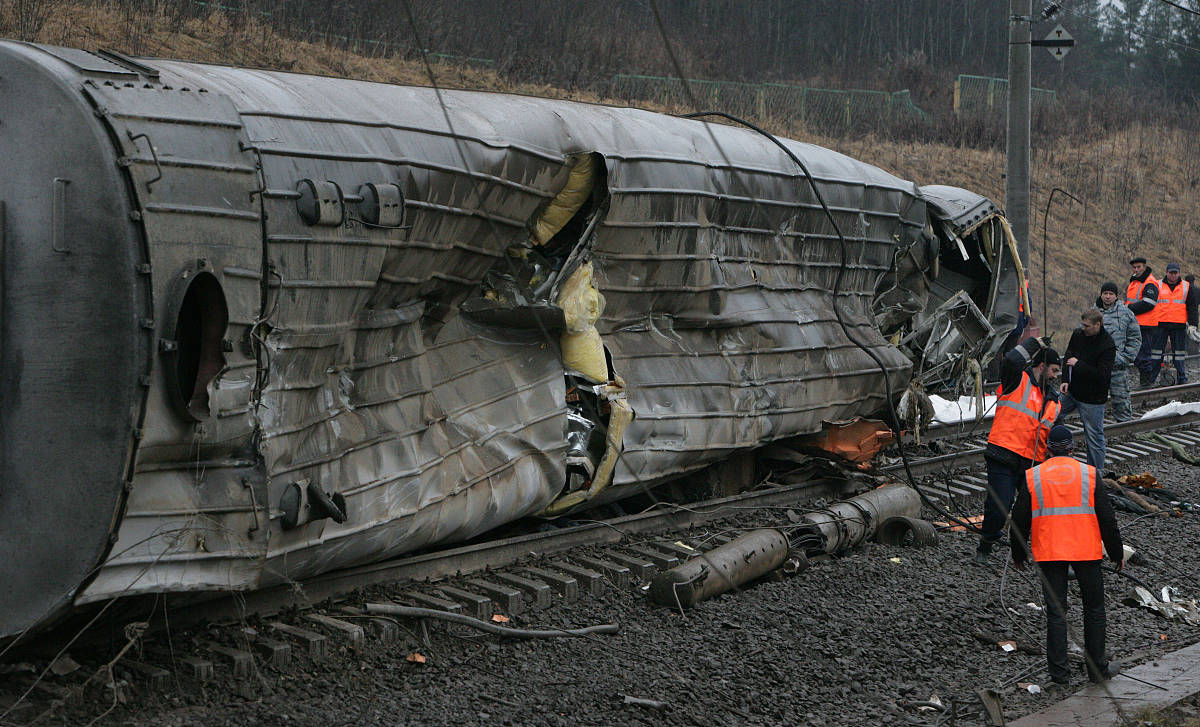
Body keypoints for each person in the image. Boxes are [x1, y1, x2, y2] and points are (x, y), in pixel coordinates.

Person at [1009, 426, 1124, 685]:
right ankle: (1097, 670)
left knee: (1056, 612)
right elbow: (1107, 518)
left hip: (1049, 552)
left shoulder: (1033, 476)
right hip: (1086, 551)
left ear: (1047, 448)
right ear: (1073, 448)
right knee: (1094, 609)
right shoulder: (1089, 475)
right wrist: (1117, 553)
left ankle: (1060, 675)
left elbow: (1019, 519)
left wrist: (1019, 553)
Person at [975, 336, 1061, 565]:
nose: (1055, 376)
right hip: (1003, 453)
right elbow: (1012, 359)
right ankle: (986, 545)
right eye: (1053, 370)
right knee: (1000, 505)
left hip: (1032, 464)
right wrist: (1035, 343)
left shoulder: (1053, 400)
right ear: (1041, 366)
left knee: (1037, 512)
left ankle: (1036, 555)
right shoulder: (1017, 380)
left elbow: (1054, 433)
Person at [1056, 309, 1116, 472]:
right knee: (1051, 415)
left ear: (1098, 325)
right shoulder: (1078, 335)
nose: (1083, 328)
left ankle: (1095, 474)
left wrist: (1079, 365)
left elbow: (1102, 375)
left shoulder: (1107, 345)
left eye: (1087, 326)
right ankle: (1058, 457)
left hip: (1092, 399)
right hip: (1072, 392)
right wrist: (1065, 380)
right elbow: (1068, 357)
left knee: (1094, 437)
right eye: (1082, 325)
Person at [1148, 262, 1200, 386]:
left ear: (1179, 273)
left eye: (1175, 273)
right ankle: (1151, 379)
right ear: (1166, 272)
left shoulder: (1187, 287)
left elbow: (1192, 308)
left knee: (1179, 354)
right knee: (1156, 353)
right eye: (1171, 272)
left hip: (1179, 325)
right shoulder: (1157, 284)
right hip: (1160, 324)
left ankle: (1182, 378)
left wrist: (1193, 325)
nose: (1173, 275)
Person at [1097, 282, 1140, 421]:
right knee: (1094, 402)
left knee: (1121, 400)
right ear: (1101, 295)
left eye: (1111, 294)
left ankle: (1124, 427)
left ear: (1116, 296)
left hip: (1118, 366)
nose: (1108, 297)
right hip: (1097, 367)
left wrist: (1126, 357)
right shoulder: (1093, 313)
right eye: (1105, 294)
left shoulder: (1126, 313)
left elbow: (1135, 338)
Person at [1125, 256, 1161, 386]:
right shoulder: (1135, 281)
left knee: (1144, 354)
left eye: (1139, 267)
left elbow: (1149, 303)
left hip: (1146, 324)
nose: (1136, 269)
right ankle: (1146, 381)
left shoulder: (1149, 282)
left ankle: (1146, 383)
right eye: (1134, 267)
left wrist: (1128, 308)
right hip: (1135, 323)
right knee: (1138, 354)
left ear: (1144, 267)